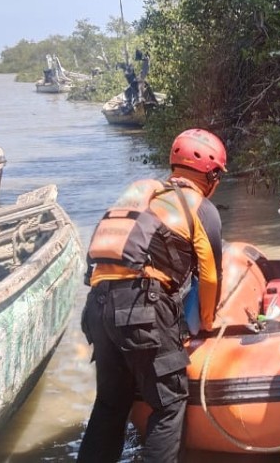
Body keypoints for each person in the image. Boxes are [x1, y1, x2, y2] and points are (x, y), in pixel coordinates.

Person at [77, 128, 228, 462]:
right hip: (142, 305)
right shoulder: (201, 208)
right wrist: (207, 322)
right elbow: (210, 276)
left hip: (97, 306)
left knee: (110, 403)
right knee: (170, 402)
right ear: (211, 175)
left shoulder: (144, 196)